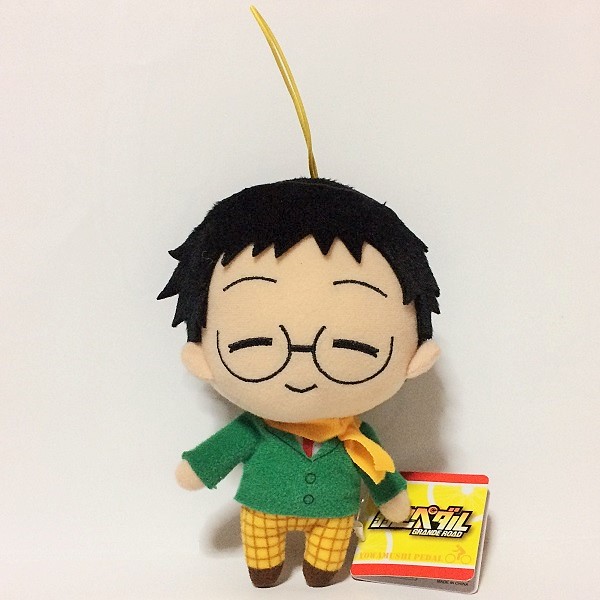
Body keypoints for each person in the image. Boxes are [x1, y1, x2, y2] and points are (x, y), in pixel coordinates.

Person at [159, 177, 440, 587]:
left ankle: (321, 573)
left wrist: (392, 496)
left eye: (350, 344)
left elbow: (379, 471)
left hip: (334, 516)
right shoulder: (256, 429)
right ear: (201, 357)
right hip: (262, 510)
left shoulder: (357, 438)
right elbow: (217, 453)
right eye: (257, 341)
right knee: (262, 555)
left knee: (325, 565)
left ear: (415, 359)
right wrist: (198, 468)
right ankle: (265, 569)